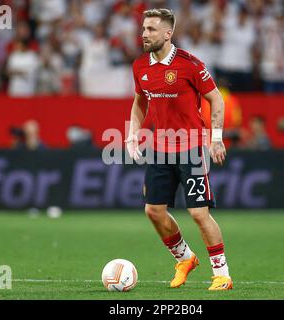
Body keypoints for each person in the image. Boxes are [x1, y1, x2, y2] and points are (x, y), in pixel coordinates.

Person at [125, 8, 232, 291]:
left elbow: (216, 100)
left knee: (198, 213)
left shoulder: (190, 64)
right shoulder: (140, 66)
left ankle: (222, 274)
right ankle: (184, 258)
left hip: (191, 147)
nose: (144, 34)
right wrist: (132, 133)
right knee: (153, 210)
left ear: (168, 33)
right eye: (144, 28)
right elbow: (139, 102)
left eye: (151, 29)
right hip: (160, 148)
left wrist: (216, 138)